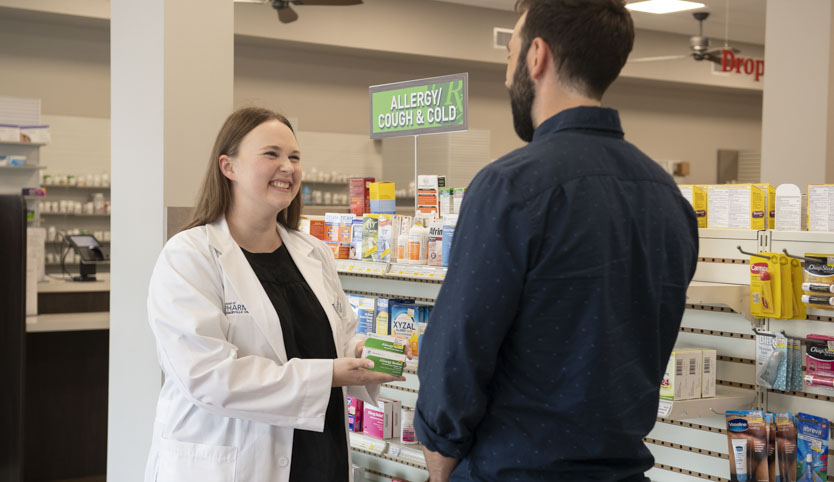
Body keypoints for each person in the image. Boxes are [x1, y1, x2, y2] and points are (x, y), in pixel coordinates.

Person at [414, 1, 699, 480]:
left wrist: (440, 458)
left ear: (536, 56)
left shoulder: (510, 186)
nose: (507, 74)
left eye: (509, 54)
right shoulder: (666, 196)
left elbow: (458, 347)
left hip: (511, 470)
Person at [144, 107, 408, 482]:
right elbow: (207, 377)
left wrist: (365, 354)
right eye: (272, 154)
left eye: (294, 157)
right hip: (233, 463)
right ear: (228, 167)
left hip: (321, 456)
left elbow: (339, 340)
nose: (288, 167)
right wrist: (329, 375)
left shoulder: (313, 252)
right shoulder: (189, 256)